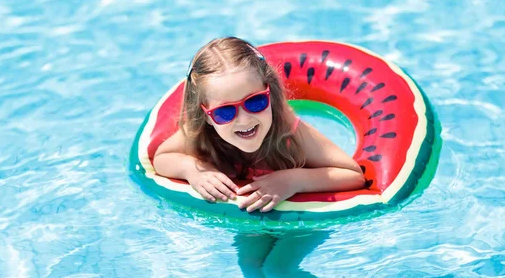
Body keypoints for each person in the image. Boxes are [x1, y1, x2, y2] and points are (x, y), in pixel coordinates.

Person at [153, 36, 365, 213]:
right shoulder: (202, 134)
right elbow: (162, 158)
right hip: (251, 217)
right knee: (250, 263)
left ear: (269, 93)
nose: (244, 119)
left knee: (279, 266)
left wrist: (294, 180)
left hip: (300, 219)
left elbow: (353, 175)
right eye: (225, 112)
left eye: (255, 101)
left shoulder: (289, 132)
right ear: (206, 115)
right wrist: (193, 170)